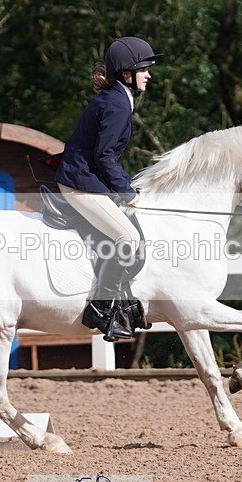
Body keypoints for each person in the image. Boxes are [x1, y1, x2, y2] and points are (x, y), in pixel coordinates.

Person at [53, 36, 158, 341]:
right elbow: (104, 156)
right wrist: (127, 191)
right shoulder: (116, 104)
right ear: (127, 74)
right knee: (127, 237)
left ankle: (122, 303)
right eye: (144, 69)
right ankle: (101, 309)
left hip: (88, 178)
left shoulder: (118, 98)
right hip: (79, 182)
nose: (149, 74)